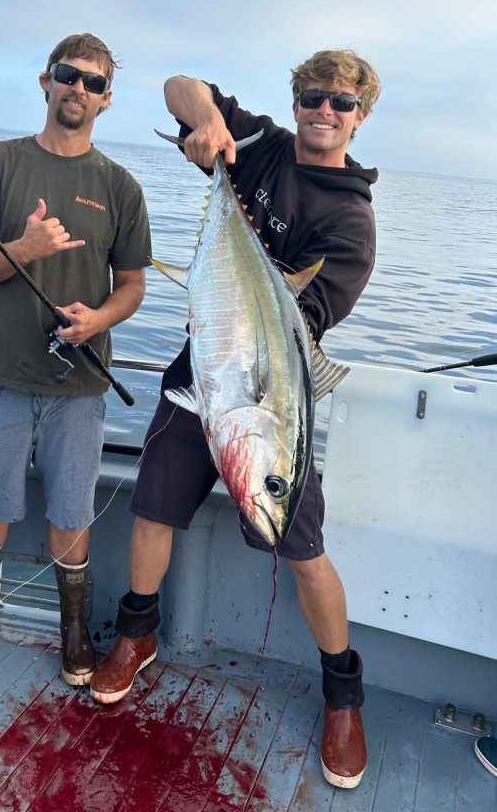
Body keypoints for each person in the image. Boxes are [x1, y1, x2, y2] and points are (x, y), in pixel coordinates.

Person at [89, 49, 381, 790]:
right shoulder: (259, 147)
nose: (325, 109)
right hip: (203, 382)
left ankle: (342, 694)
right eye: (314, 95)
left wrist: (258, 280)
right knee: (152, 509)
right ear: (296, 102)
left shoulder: (351, 222)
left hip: (266, 391)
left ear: (360, 116)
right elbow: (176, 86)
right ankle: (138, 634)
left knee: (302, 547)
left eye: (341, 102)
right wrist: (210, 123)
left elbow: (301, 327)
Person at [0, 33, 151, 689]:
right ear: (45, 82)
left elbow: (132, 283)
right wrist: (25, 246)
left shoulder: (121, 186)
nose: (79, 89)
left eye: (94, 83)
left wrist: (99, 320)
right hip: (0, 376)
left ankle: (74, 627)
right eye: (67, 75)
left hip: (79, 385)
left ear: (107, 102)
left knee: (71, 511)